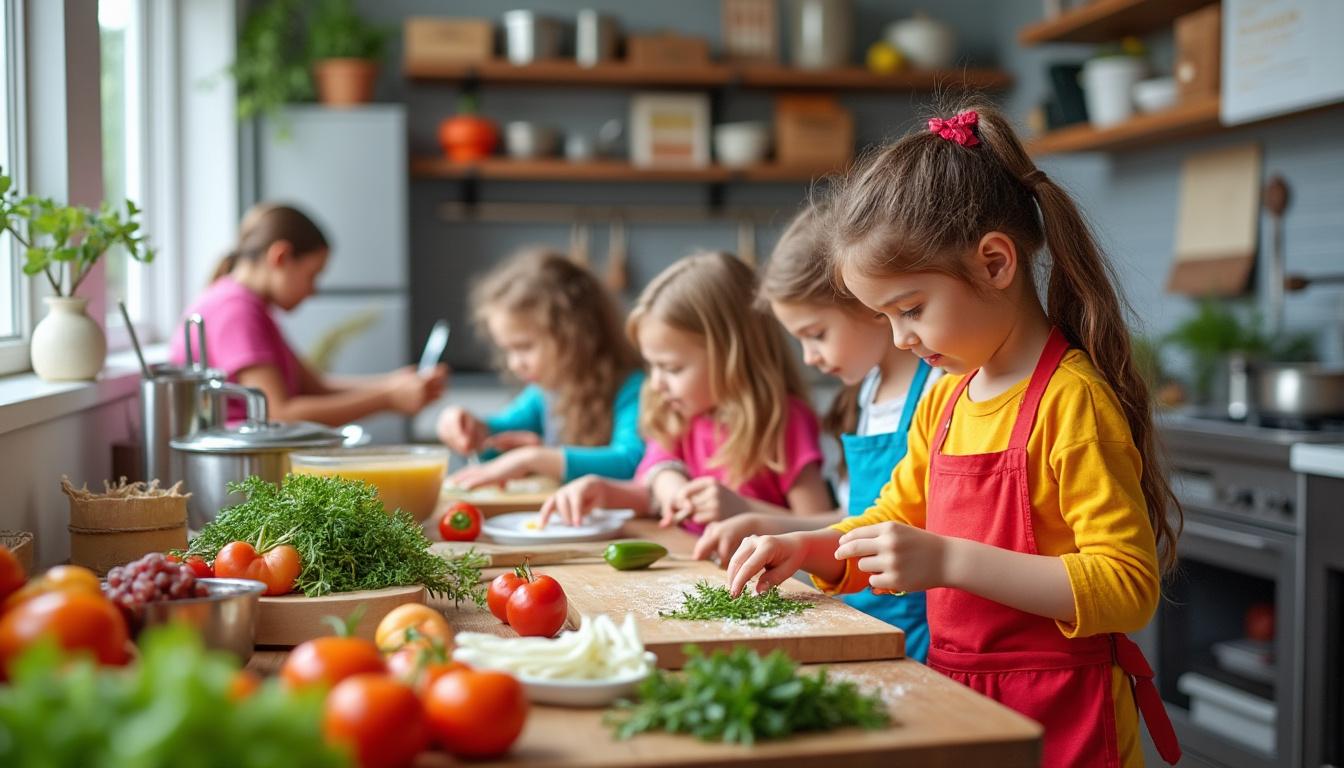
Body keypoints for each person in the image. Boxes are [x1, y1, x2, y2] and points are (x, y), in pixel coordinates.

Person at [724, 104, 1182, 767]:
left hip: (1068, 717)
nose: (901, 339)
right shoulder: (946, 394)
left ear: (995, 263)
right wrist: (813, 548)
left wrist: (948, 562)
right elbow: (894, 515)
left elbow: (1128, 586)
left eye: (910, 310)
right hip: (960, 698)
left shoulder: (1071, 402)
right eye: (884, 318)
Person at [690, 202, 940, 662]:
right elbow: (855, 518)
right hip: (858, 615)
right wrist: (763, 522)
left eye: (816, 334)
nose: (808, 357)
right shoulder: (867, 392)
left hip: (921, 632)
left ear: (868, 304)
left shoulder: (938, 390)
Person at [540, 251, 832, 532]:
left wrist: (743, 509)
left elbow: (820, 527)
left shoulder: (783, 421)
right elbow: (655, 496)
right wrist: (604, 490)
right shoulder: (679, 413)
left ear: (731, 357)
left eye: (672, 368)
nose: (656, 384)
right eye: (652, 366)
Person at [170, 204, 445, 425]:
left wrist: (392, 384)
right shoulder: (234, 311)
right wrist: (388, 399)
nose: (313, 291)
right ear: (281, 257)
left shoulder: (251, 308)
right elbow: (278, 413)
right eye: (312, 275)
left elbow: (315, 387)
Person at [437, 249, 645, 488]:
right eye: (508, 350)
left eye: (524, 347)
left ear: (575, 333)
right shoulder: (545, 394)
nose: (515, 363)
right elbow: (499, 435)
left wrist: (534, 459)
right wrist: (471, 430)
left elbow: (631, 462)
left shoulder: (632, 387)